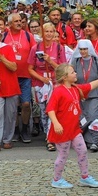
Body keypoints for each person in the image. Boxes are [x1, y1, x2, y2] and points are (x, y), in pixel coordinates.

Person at [47, 63, 98, 189]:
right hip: (62, 130)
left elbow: (91, 85)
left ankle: (85, 177)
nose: (75, 74)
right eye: (72, 72)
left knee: (83, 151)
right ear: (64, 77)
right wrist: (56, 123)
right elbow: (50, 109)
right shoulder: (58, 91)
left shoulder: (75, 89)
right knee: (63, 155)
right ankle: (56, 179)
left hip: (74, 129)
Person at [27, 22, 66, 151]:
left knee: (52, 111)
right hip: (40, 83)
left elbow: (63, 68)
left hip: (55, 84)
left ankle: (51, 138)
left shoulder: (59, 48)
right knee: (44, 112)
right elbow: (30, 69)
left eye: (51, 31)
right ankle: (47, 133)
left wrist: (50, 61)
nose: (48, 34)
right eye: (46, 32)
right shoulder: (36, 48)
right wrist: (42, 79)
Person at [71, 39, 98, 152]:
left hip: (96, 94)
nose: (83, 52)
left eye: (85, 49)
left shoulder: (96, 61)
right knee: (83, 118)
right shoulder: (75, 62)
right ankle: (85, 140)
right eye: (81, 49)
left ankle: (94, 141)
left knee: (93, 117)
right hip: (80, 94)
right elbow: (71, 79)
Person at [2, 13, 36, 143]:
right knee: (13, 105)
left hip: (25, 75)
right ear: (10, 23)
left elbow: (34, 51)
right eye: (16, 21)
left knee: (26, 104)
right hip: (10, 76)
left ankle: (25, 128)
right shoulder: (4, 36)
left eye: (20, 21)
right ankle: (15, 129)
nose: (19, 23)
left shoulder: (28, 35)